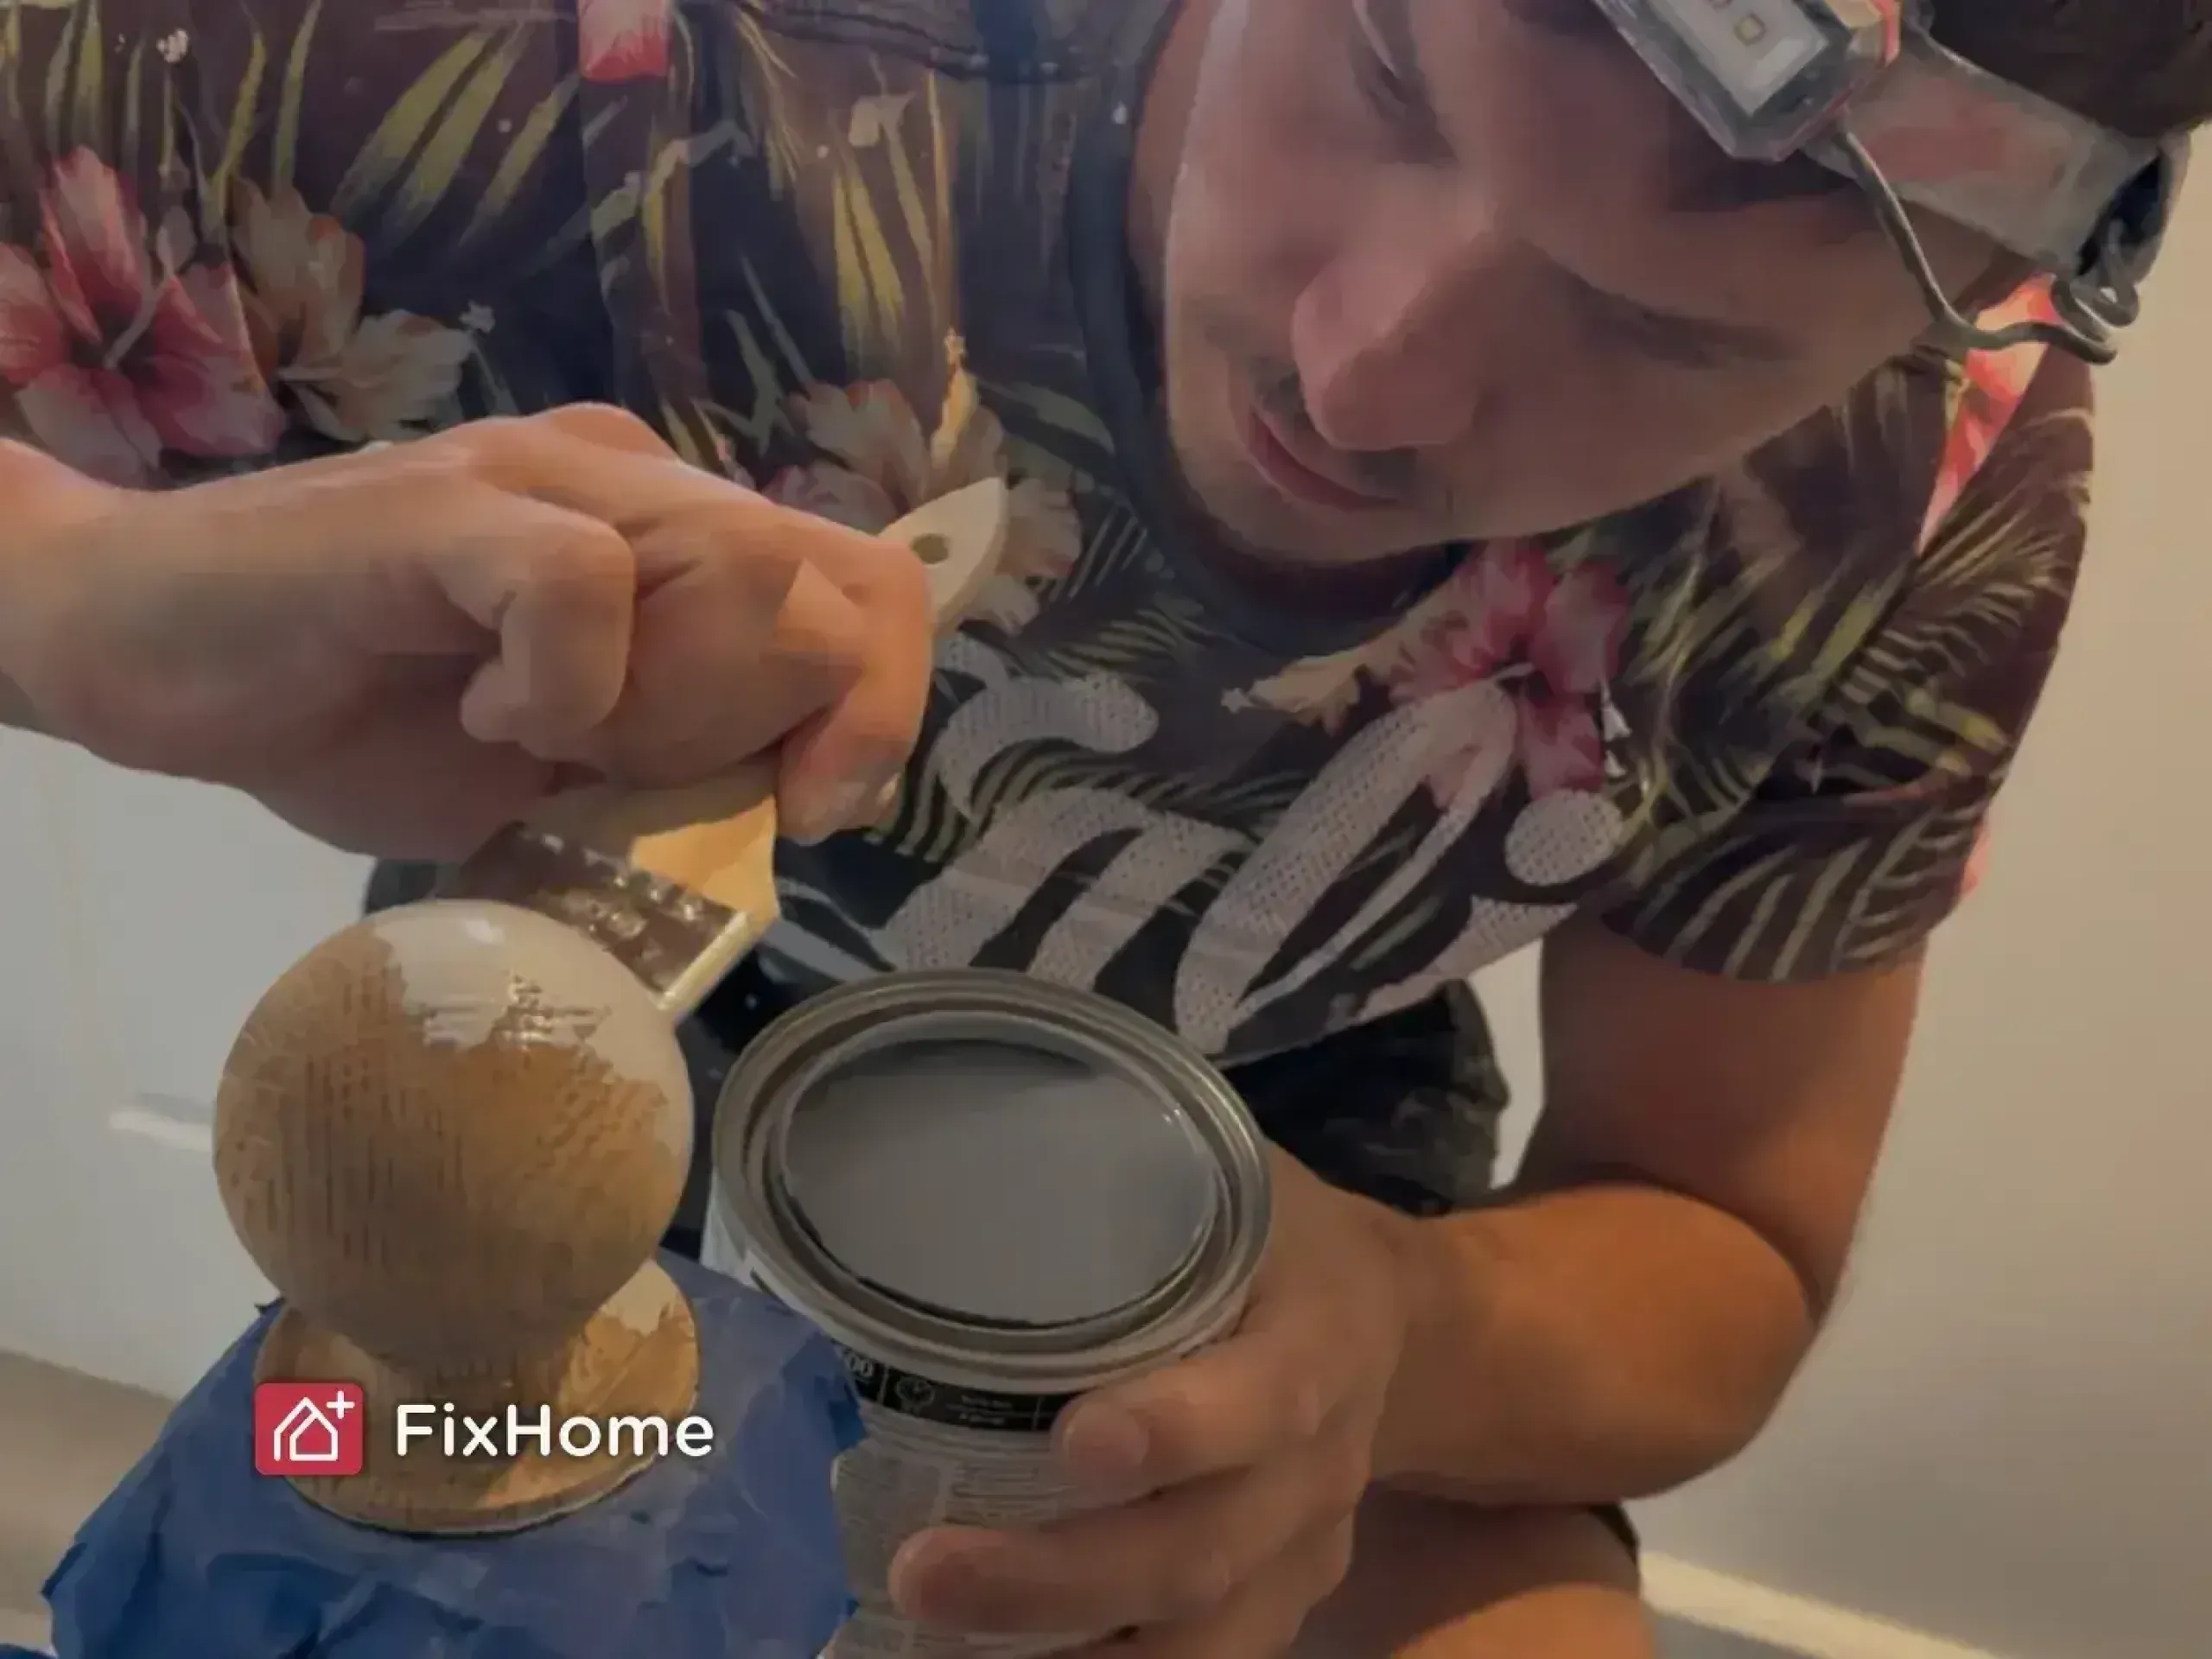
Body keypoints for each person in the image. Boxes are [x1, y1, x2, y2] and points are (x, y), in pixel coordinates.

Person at [0, 1, 2202, 1653]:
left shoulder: (1933, 495)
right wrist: (74, 598)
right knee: (314, 1517)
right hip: (546, 1111)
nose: (1367, 384)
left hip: (1294, 1183)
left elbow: (1723, 1243)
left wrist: (1402, 1350)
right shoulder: (598, 68)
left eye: (1657, 330)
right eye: (1384, 77)